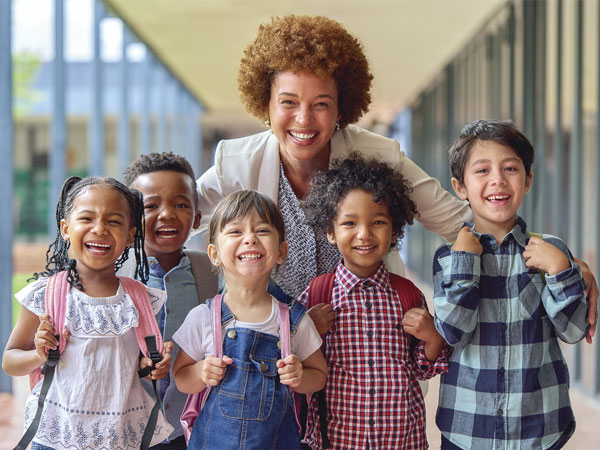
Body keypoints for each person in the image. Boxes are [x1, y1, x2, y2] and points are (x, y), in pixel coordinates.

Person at [190, 14, 598, 342]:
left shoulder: (377, 154)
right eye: (288, 103)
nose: (303, 119)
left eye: (321, 104)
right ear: (265, 103)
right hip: (276, 339)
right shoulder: (236, 162)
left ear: (341, 108)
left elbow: (461, 222)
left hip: (366, 337)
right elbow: (177, 220)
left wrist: (559, 260)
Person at [433, 120, 589, 449]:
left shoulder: (552, 251)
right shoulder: (449, 257)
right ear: (459, 186)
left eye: (510, 168)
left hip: (540, 430)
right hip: (468, 431)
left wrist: (561, 268)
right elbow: (451, 332)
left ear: (528, 179)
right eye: (482, 170)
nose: (498, 181)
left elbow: (574, 331)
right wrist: (465, 264)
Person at [2, 176, 173, 449]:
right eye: (87, 218)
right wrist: (38, 354)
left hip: (123, 435)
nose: (100, 229)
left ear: (130, 236)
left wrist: (152, 366)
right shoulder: (46, 295)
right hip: (57, 435)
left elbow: (137, 365)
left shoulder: (140, 299)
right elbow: (10, 362)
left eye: (114, 221)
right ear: (66, 229)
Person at [300, 153, 449, 449]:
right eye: (349, 223)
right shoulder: (318, 295)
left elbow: (422, 369)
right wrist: (307, 331)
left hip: (401, 440)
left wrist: (432, 337)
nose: (364, 234)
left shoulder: (407, 295)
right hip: (338, 441)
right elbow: (297, 366)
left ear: (394, 231)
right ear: (331, 232)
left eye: (378, 222)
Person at [172, 190, 327, 449]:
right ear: (214, 254)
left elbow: (319, 375)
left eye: (263, 231)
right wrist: (201, 372)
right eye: (235, 232)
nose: (250, 239)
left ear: (281, 251)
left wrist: (300, 376)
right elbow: (181, 377)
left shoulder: (295, 321)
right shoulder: (202, 318)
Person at [122, 152, 219, 449]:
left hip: (189, 430)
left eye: (180, 204)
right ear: (131, 219)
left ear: (197, 218)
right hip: (125, 430)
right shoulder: (113, 279)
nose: (167, 214)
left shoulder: (213, 274)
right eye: (151, 205)